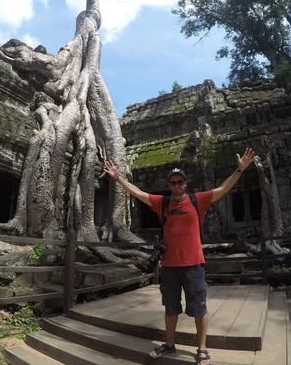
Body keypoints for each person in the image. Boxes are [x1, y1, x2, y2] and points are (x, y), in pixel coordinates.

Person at [103, 147, 255, 365]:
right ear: (169, 185)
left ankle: (202, 348)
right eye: (173, 183)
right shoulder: (162, 203)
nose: (177, 186)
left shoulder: (197, 200)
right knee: (170, 307)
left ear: (185, 183)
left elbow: (223, 188)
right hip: (170, 266)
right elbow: (137, 193)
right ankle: (169, 344)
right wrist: (118, 178)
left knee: (199, 307)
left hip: (193, 264)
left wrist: (240, 170)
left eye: (180, 182)